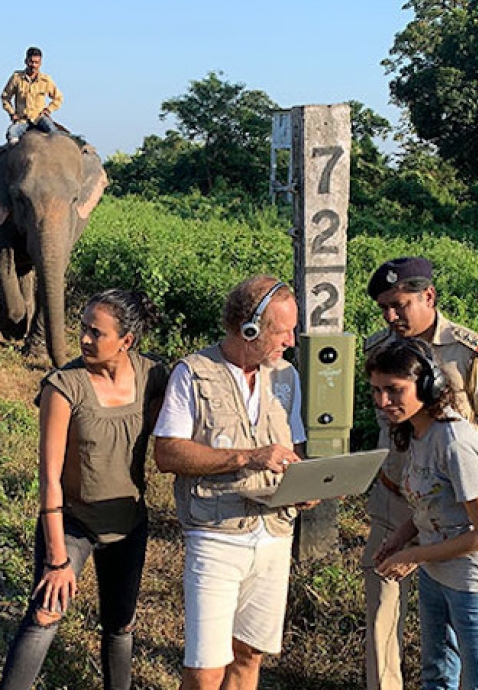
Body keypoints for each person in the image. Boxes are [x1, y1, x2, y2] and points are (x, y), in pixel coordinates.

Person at [0, 290, 171, 690]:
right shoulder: (64, 387)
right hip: (73, 522)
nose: (85, 339)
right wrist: (57, 559)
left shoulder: (154, 376)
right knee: (45, 614)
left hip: (129, 524)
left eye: (97, 332)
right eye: (83, 328)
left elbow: (176, 431)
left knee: (121, 624)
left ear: (126, 341)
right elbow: (50, 477)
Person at [153, 275, 309, 690]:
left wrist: (308, 484)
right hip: (216, 536)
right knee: (204, 670)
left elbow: (293, 450)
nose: (291, 341)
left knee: (249, 655)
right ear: (250, 328)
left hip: (275, 535)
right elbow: (167, 453)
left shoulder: (286, 377)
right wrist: (249, 457)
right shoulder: (193, 372)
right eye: (283, 331)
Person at [361, 256, 478, 690]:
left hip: (453, 503)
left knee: (473, 658)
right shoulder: (378, 348)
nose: (391, 316)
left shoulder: (469, 349)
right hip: (396, 495)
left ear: (428, 296)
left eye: (399, 304)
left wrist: (448, 483)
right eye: (383, 308)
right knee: (386, 614)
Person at [0, 46, 63, 145]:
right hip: (23, 120)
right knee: (11, 134)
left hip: (39, 118)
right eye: (31, 62)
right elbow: (5, 98)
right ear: (26, 61)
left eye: (36, 62)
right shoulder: (17, 78)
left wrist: (48, 110)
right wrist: (12, 114)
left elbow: (58, 98)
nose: (33, 65)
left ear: (40, 63)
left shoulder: (46, 80)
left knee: (54, 134)